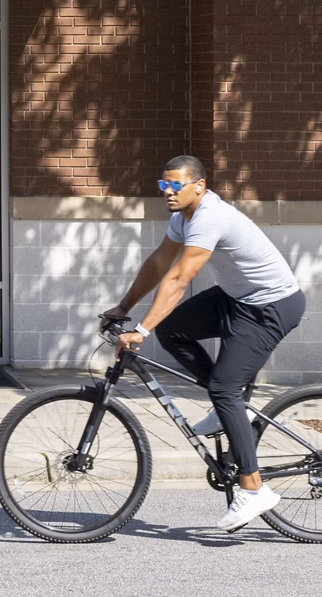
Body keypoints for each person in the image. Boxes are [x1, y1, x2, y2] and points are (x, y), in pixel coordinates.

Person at [102, 154, 306, 532]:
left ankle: (253, 488)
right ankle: (232, 408)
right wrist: (124, 307)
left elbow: (179, 278)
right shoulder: (182, 218)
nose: (167, 191)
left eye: (175, 185)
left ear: (200, 186)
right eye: (163, 185)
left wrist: (140, 331)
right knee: (173, 330)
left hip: (271, 307)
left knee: (224, 388)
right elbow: (160, 263)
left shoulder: (210, 217)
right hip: (236, 298)